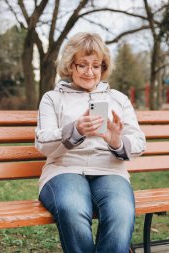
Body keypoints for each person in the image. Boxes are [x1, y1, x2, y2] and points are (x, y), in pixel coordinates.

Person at [35, 32, 146, 253]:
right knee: (72, 208)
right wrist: (75, 130)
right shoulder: (52, 98)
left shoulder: (118, 99)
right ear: (70, 66)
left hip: (110, 171)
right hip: (63, 170)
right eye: (82, 65)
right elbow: (43, 143)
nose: (90, 72)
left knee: (121, 210)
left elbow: (139, 142)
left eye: (96, 65)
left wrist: (116, 141)